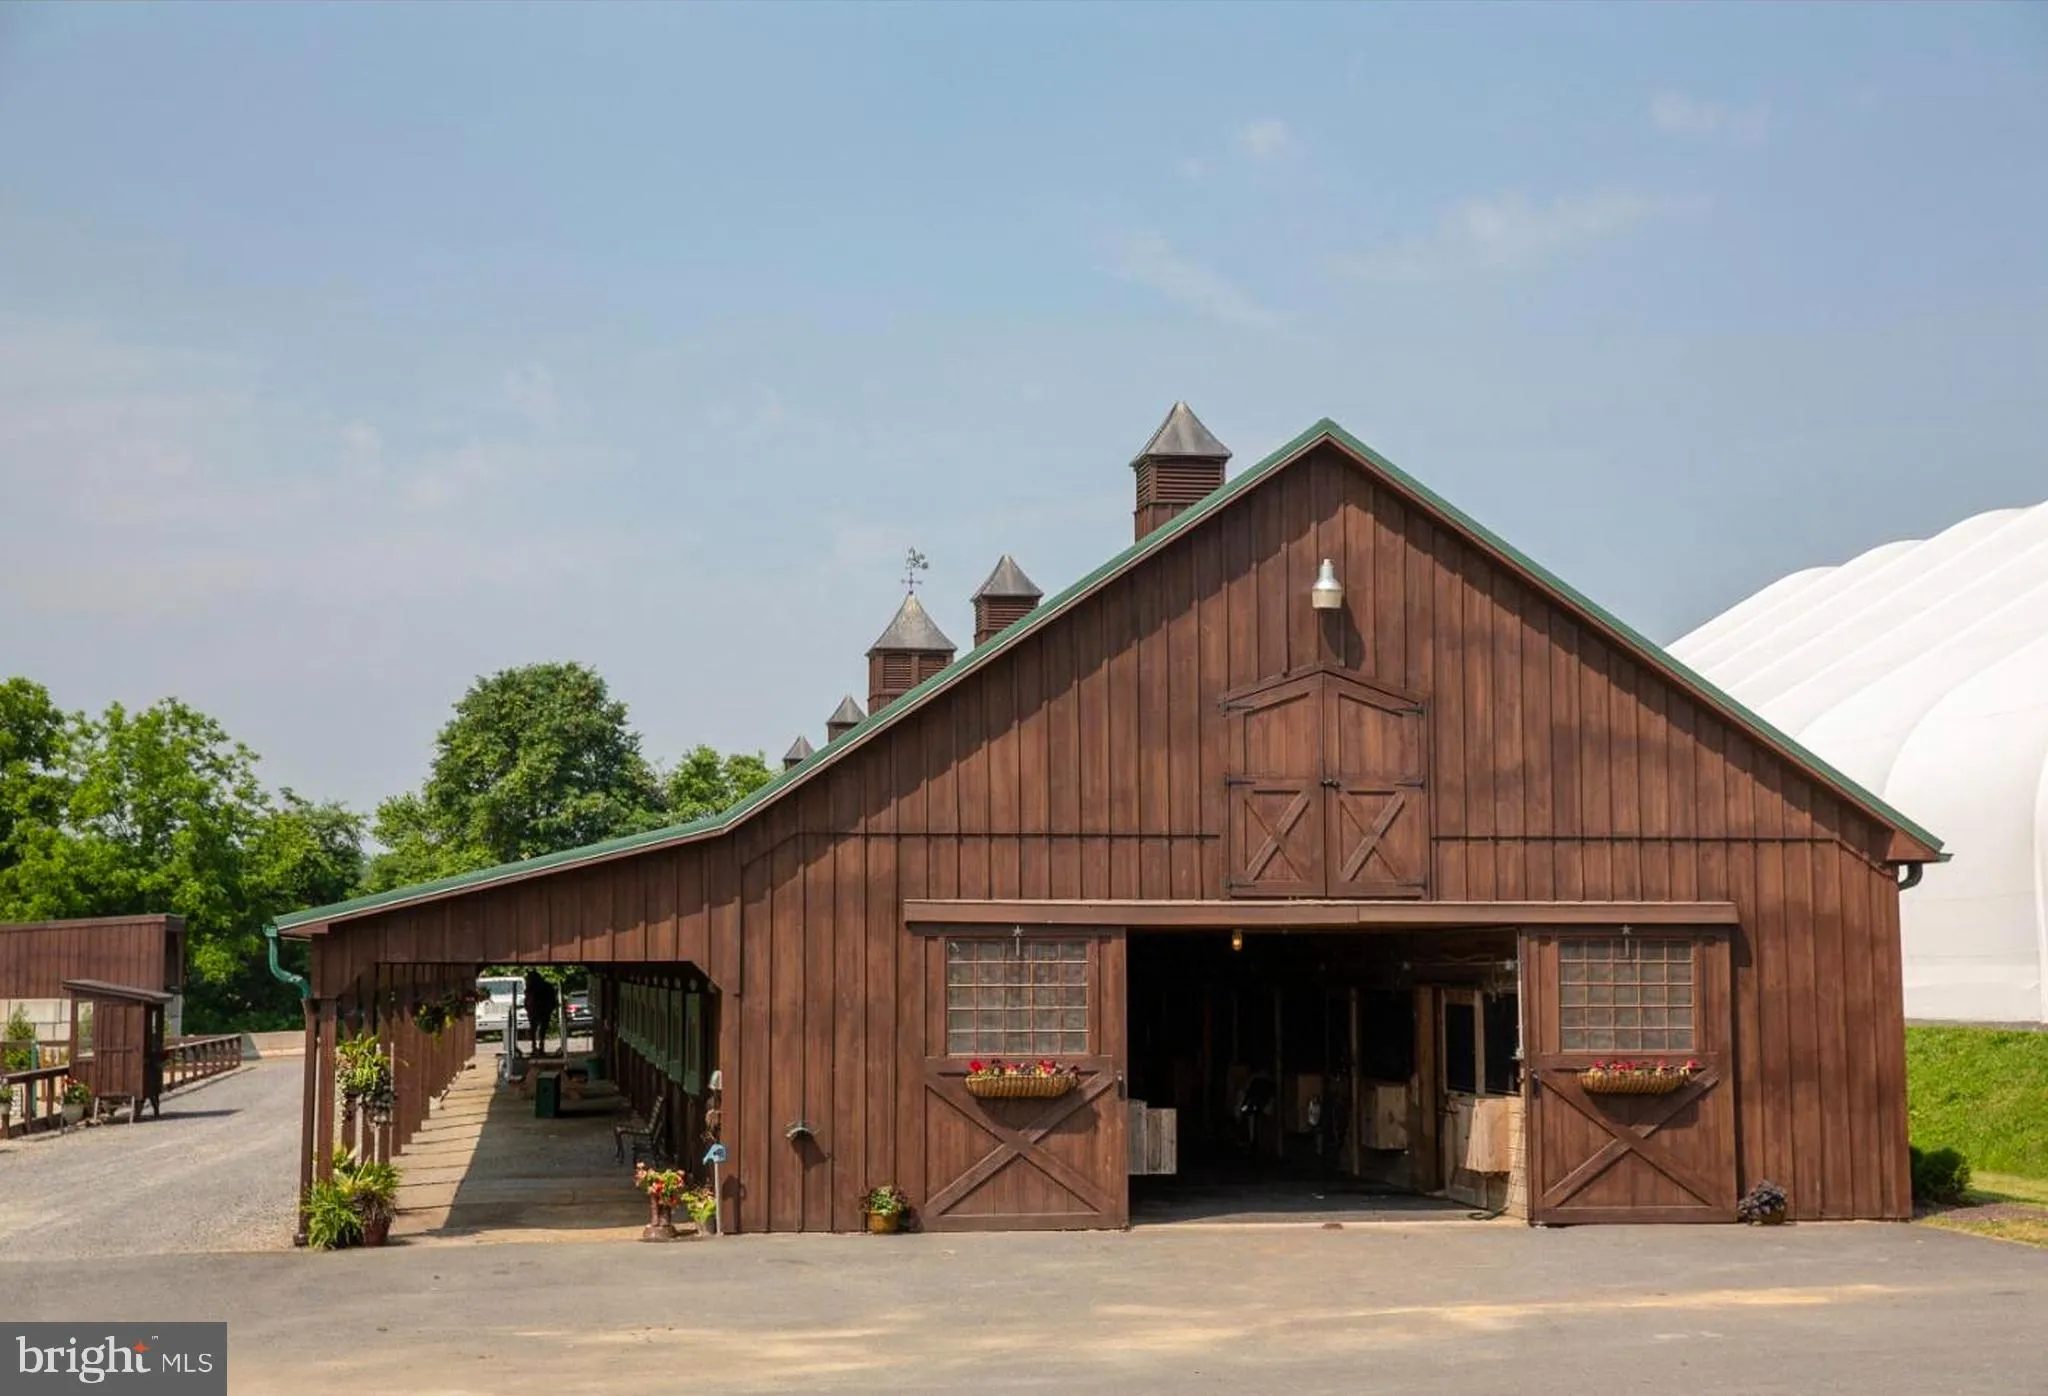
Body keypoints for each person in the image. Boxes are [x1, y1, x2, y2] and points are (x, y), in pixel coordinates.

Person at [523, 971, 559, 1060]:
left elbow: (527, 1000)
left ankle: (535, 1046)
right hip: (544, 1010)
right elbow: (553, 999)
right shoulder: (547, 986)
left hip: (535, 1010)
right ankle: (540, 1046)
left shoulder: (530, 988)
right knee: (542, 1029)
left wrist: (528, 1008)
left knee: (533, 1028)